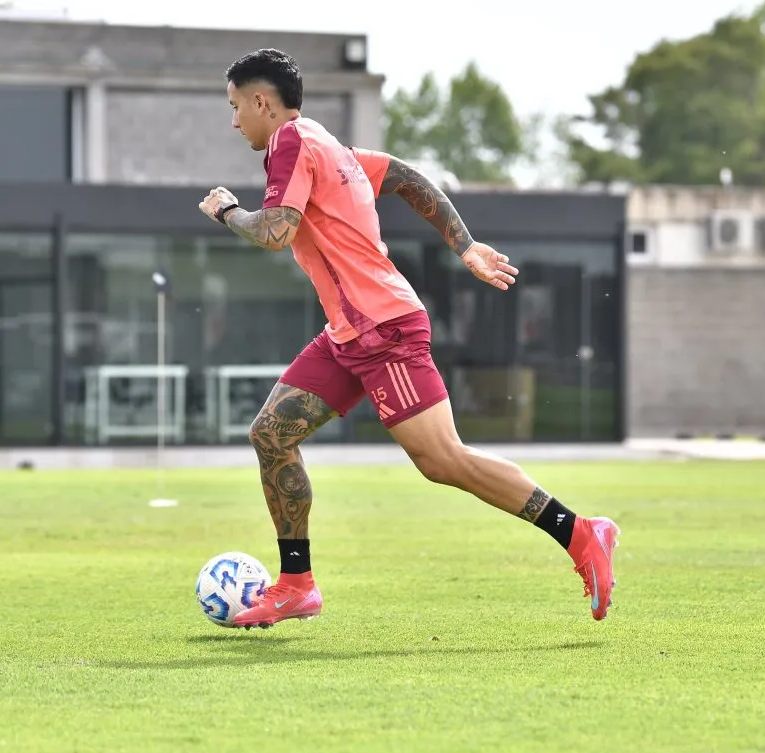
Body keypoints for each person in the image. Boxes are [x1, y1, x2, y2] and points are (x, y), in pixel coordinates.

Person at [198, 49, 620, 629]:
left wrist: (227, 211)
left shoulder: (291, 145)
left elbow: (275, 232)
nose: (234, 120)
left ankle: (580, 532)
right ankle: (296, 584)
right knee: (271, 434)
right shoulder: (328, 145)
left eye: (236, 106)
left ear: (262, 102)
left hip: (385, 331)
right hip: (350, 334)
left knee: (444, 461)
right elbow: (404, 176)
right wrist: (465, 245)